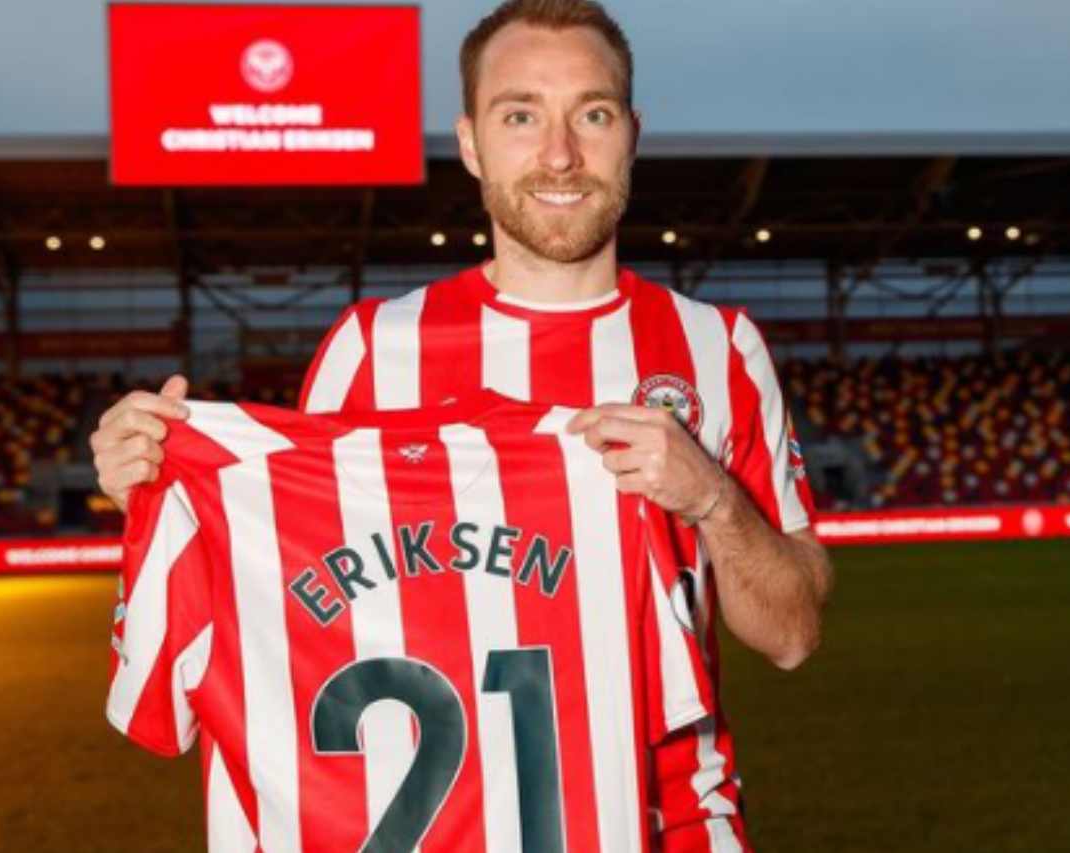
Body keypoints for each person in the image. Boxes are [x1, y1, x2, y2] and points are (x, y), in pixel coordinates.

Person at [90, 1, 834, 849]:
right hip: (446, 829)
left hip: (680, 826)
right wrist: (157, 477)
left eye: (592, 114)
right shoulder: (374, 349)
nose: (560, 153)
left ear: (632, 134)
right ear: (472, 143)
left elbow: (793, 635)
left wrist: (711, 500)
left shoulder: (717, 347)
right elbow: (297, 602)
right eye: (521, 116)